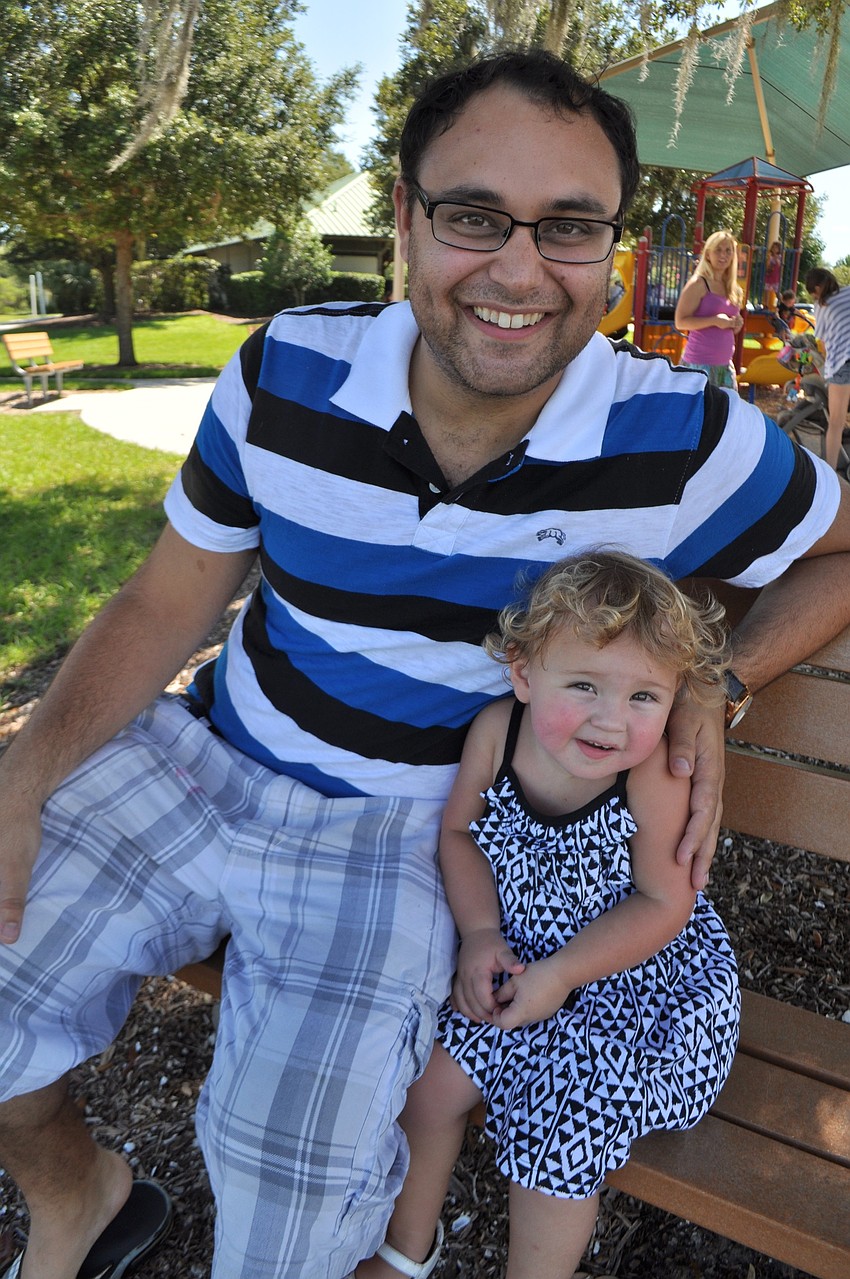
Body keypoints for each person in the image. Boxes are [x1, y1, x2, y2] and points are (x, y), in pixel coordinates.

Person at [0, 48, 849, 1279]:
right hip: (201, 757)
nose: (516, 269)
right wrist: (27, 775)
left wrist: (718, 681)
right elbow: (165, 595)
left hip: (405, 835)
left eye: (567, 227)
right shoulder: (282, 371)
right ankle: (82, 1197)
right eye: (470, 216)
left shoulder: (683, 437)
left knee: (286, 1208)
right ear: (402, 218)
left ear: (612, 248)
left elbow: (840, 549)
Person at [356, 552, 739, 1279]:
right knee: (431, 1080)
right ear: (524, 672)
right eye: (585, 685)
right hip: (521, 956)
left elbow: (666, 904)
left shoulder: (651, 774)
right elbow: (460, 834)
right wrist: (479, 934)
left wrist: (564, 974)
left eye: (644, 697)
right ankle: (404, 1254)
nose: (611, 720)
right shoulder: (498, 735)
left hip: (639, 992)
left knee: (562, 1118)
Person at [674, 230, 744, 388]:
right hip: (699, 366)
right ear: (707, 254)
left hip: (725, 368)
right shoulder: (699, 284)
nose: (723, 255)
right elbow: (680, 322)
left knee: (726, 412)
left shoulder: (734, 289)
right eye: (718, 250)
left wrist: (736, 325)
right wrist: (714, 321)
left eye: (728, 251)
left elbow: (728, 328)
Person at [805, 267, 850, 470]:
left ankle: (830, 473)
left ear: (816, 288)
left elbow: (821, 338)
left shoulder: (821, 306)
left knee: (836, 423)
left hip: (840, 364)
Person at [763, 239, 782, 308]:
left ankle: (782, 302)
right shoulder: (770, 256)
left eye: (776, 248)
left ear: (779, 249)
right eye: (773, 247)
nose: (774, 249)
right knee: (767, 290)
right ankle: (766, 305)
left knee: (777, 291)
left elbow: (779, 265)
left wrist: (776, 258)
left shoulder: (779, 256)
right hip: (769, 275)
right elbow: (767, 265)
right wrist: (769, 259)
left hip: (775, 276)